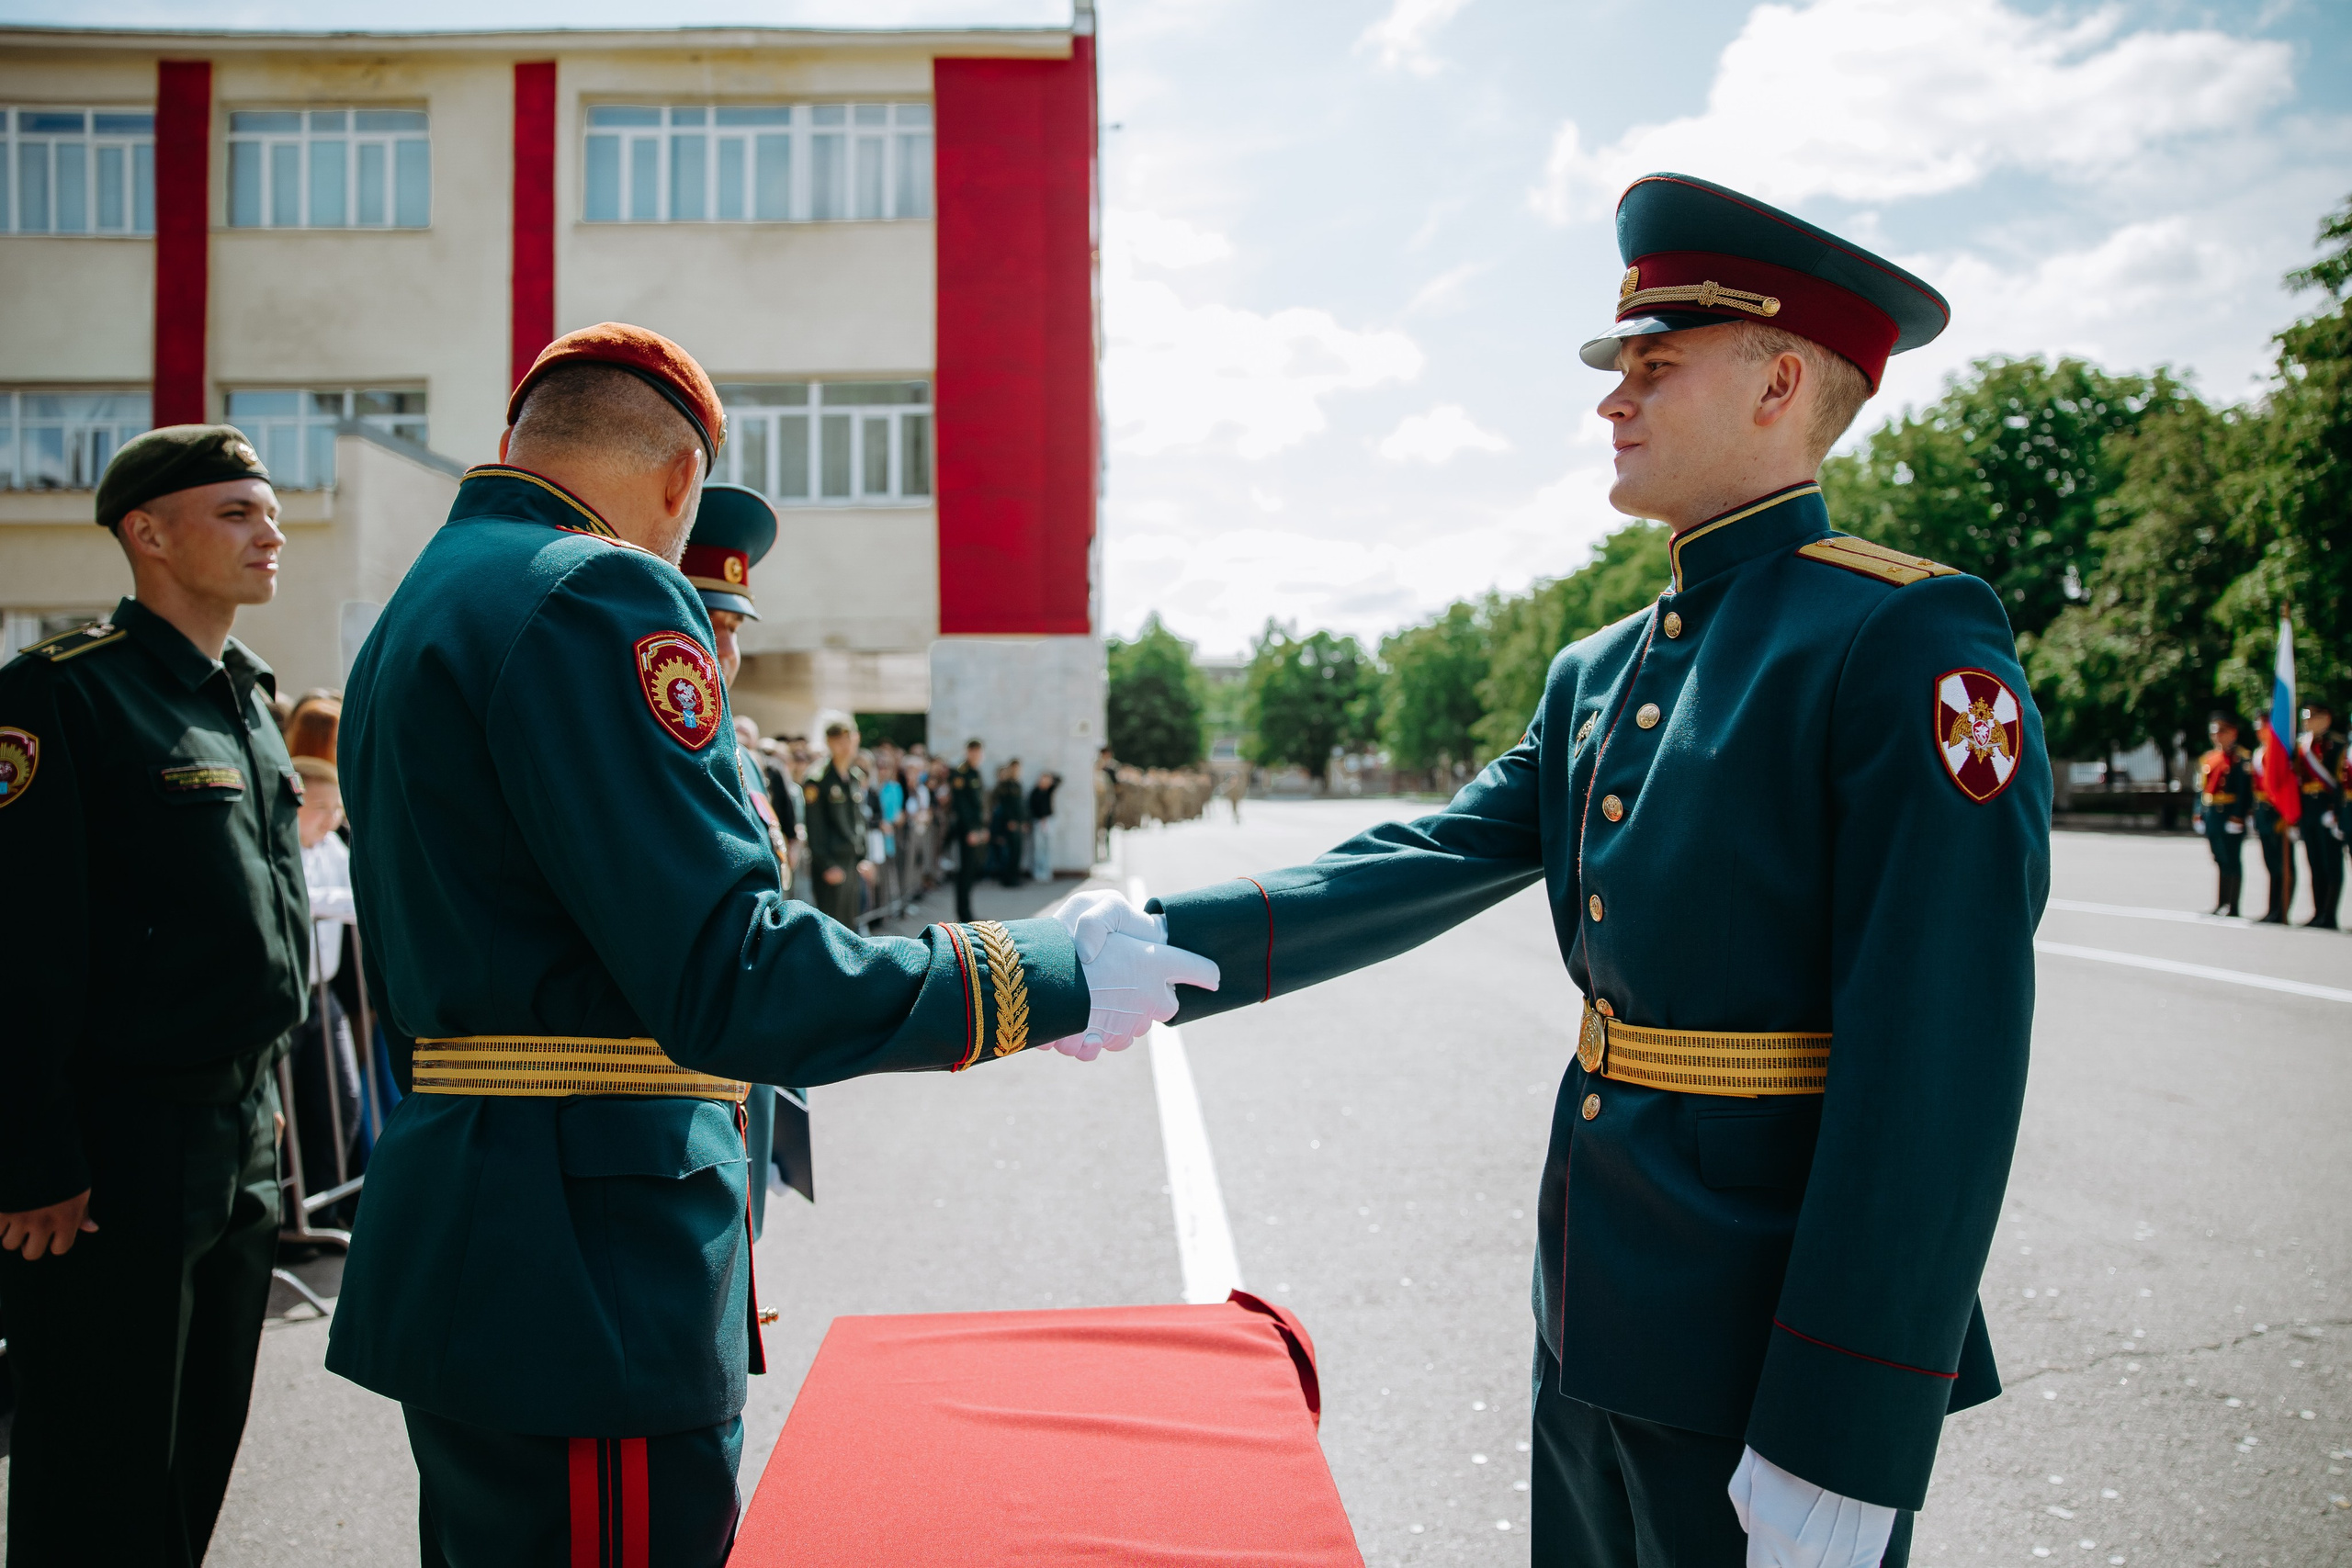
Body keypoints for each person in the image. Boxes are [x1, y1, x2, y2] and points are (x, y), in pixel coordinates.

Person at [1060, 173, 2051, 1567]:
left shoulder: (1901, 640)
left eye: (1657, 364)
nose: (1613, 398)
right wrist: (1159, 941)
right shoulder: (1601, 667)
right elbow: (1424, 855)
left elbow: (1939, 1070)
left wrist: (1851, 1423)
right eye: (1618, 366)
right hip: (1591, 1301)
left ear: (1778, 384)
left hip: (1768, 1352)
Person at [325, 323, 1205, 1565]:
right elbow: (727, 966)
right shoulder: (598, 588)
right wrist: (1040, 970)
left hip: (479, 1227)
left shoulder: (428, 600)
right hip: (587, 1270)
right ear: (680, 483)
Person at [0, 425, 311, 1565]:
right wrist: (33, 1160)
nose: (268, 531)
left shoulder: (243, 695)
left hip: (242, 1128)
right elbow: (21, 945)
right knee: (96, 1475)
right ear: (149, 533)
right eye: (236, 511)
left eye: (268, 510)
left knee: (194, 1461)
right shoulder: (62, 696)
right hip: (118, 1144)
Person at [289, 750, 367, 1226]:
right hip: (294, 995)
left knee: (342, 1100)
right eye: (322, 807)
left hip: (325, 995)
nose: (332, 818)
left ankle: (324, 1209)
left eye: (336, 809)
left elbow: (361, 889)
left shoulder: (330, 849)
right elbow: (307, 898)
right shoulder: (286, 847)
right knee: (295, 1111)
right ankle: (290, 1216)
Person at [804, 710, 875, 928]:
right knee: (833, 929)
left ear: (856, 739)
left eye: (848, 739)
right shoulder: (818, 778)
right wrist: (827, 865)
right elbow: (815, 828)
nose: (844, 746)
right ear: (829, 742)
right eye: (837, 740)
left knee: (851, 926)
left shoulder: (854, 777)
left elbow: (858, 820)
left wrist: (863, 855)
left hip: (851, 861)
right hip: (833, 863)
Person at [2196, 713, 2255, 918]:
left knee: (2232, 860)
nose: (2217, 736)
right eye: (2214, 732)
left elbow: (2244, 791)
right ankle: (2221, 902)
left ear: (2233, 733)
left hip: (2230, 814)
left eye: (2222, 731)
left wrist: (2238, 816)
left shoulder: (2241, 758)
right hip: (2212, 813)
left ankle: (2233, 905)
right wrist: (2198, 814)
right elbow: (2201, 789)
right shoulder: (2209, 758)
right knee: (2219, 859)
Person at [2298, 700, 2344, 929]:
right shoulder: (2301, 747)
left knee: (2331, 863)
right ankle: (2318, 912)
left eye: (2312, 718)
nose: (2307, 723)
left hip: (2328, 810)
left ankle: (2329, 914)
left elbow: (2341, 784)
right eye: (2304, 718)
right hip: (2308, 810)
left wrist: (2336, 812)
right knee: (2314, 863)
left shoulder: (2337, 747)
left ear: (2326, 718)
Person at [2252, 728, 2299, 925]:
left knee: (2284, 866)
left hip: (2280, 813)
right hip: (2263, 814)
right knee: (2272, 866)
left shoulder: (2284, 752)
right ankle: (2273, 909)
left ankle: (2283, 909)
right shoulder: (2258, 753)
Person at [948, 737, 989, 921]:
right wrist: (971, 830)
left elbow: (979, 805)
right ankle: (963, 914)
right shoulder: (960, 773)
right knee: (965, 871)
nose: (976, 756)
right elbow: (961, 806)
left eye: (979, 753)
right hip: (966, 830)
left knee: (972, 869)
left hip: (976, 829)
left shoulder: (975, 773)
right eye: (973, 752)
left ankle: (967, 912)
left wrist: (983, 828)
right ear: (968, 752)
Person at [989, 760, 1031, 886]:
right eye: (1014, 768)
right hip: (1010, 824)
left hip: (1019, 823)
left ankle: (1015, 877)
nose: (1016, 771)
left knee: (1017, 852)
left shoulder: (1018, 784)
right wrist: (1009, 821)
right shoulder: (1005, 785)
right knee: (1009, 853)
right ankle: (1008, 879)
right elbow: (1005, 806)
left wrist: (1024, 821)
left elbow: (1021, 806)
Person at [1028, 769, 1060, 882]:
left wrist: (1050, 778)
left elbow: (1060, 780)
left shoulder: (1048, 790)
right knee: (1038, 848)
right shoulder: (1035, 792)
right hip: (1038, 822)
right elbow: (1031, 807)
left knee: (1048, 847)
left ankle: (1046, 871)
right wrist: (1039, 817)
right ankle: (1038, 872)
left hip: (1048, 821)